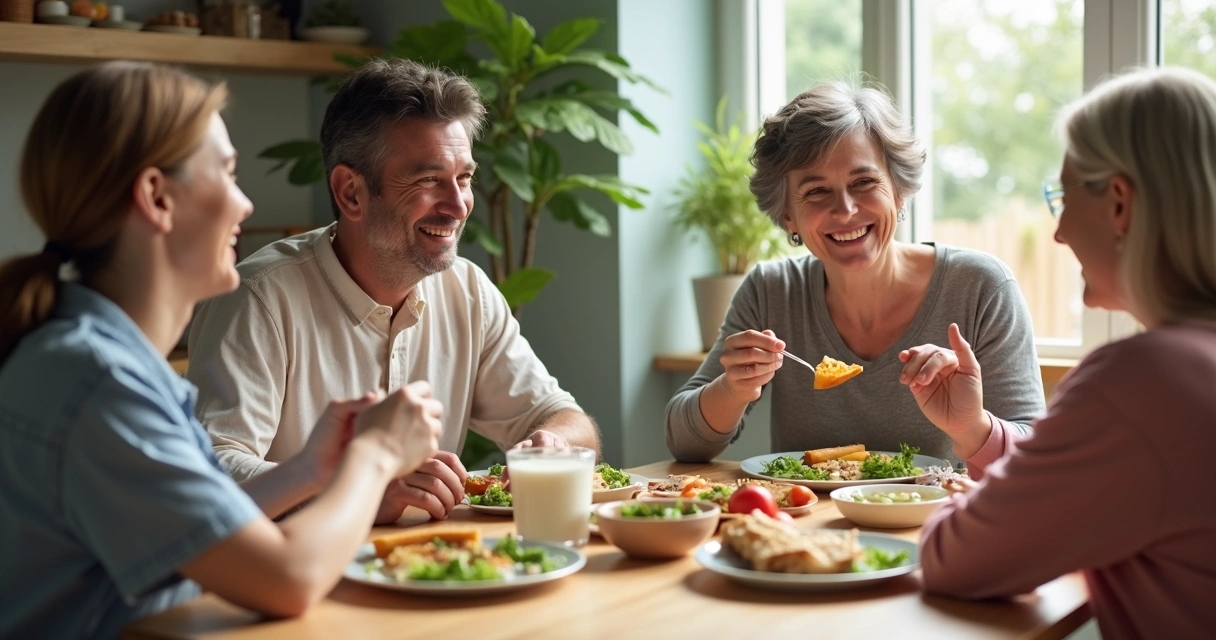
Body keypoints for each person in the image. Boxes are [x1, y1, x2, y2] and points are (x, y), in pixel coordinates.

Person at [0, 62, 443, 639]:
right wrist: (377, 455)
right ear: (156, 198)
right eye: (228, 175)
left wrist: (313, 469)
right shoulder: (96, 384)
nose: (245, 205)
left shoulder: (101, 362)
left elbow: (206, 527)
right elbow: (288, 578)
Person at [187, 58, 600, 524]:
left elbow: (566, 417)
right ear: (351, 193)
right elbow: (210, 471)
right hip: (295, 579)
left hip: (431, 570)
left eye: (463, 177)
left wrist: (554, 444)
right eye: (427, 180)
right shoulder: (258, 298)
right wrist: (356, 492)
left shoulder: (468, 290)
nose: (459, 205)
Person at [919, 67, 1216, 638]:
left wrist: (960, 496)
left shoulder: (1143, 382)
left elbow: (954, 558)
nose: (1057, 233)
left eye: (1064, 195)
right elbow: (1087, 487)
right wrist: (978, 433)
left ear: (1121, 204)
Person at [665, 81, 1044, 467]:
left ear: (898, 192)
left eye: (864, 183)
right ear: (787, 216)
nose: (845, 210)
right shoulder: (771, 292)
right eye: (816, 191)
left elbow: (1035, 457)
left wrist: (971, 425)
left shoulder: (980, 287)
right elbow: (683, 444)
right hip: (806, 525)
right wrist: (732, 388)